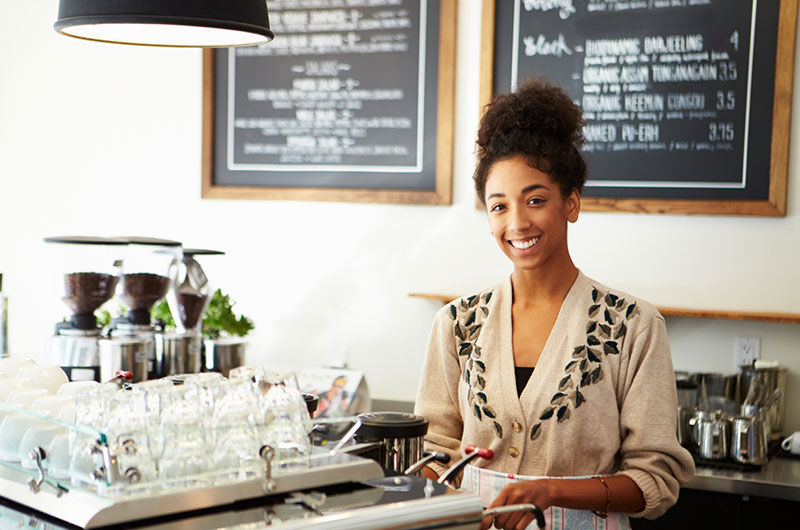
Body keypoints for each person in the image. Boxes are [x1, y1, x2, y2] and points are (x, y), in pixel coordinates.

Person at [414, 78, 694, 530]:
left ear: (572, 203)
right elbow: (431, 450)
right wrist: (439, 492)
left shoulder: (632, 325)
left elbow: (655, 480)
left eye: (536, 200)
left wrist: (550, 492)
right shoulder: (457, 323)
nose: (517, 222)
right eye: (499, 206)